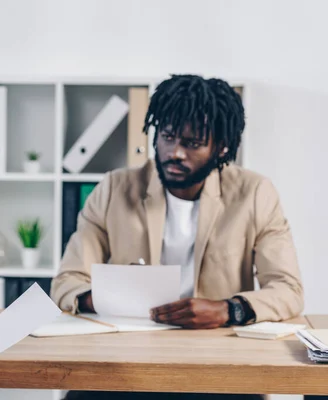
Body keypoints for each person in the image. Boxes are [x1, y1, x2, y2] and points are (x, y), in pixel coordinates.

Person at [51, 74, 303, 400]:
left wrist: (229, 310)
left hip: (219, 363)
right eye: (167, 137)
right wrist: (106, 296)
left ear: (221, 147)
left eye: (192, 143)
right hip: (126, 359)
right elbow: (67, 281)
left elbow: (289, 289)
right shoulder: (114, 188)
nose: (175, 152)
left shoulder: (255, 193)